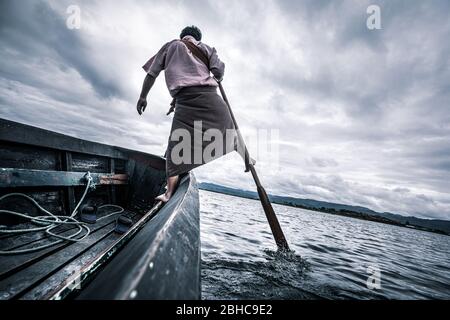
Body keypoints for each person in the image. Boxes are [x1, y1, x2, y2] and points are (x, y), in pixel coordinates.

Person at [137, 26, 237, 202]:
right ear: (197, 38)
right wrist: (216, 75)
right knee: (229, 132)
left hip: (185, 100)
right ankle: (245, 157)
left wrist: (143, 97)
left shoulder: (171, 46)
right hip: (211, 99)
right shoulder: (207, 48)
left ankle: (169, 193)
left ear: (182, 36)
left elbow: (152, 74)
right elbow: (218, 72)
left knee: (175, 145)